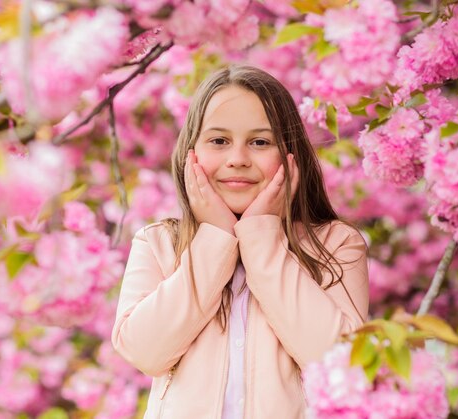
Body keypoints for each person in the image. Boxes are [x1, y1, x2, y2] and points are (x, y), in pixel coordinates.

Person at [111, 65, 369, 419]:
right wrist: (215, 238)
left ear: (290, 155)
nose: (237, 160)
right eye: (219, 141)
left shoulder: (336, 244)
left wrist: (262, 238)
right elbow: (145, 351)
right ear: (191, 153)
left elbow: (339, 358)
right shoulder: (159, 243)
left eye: (260, 142)